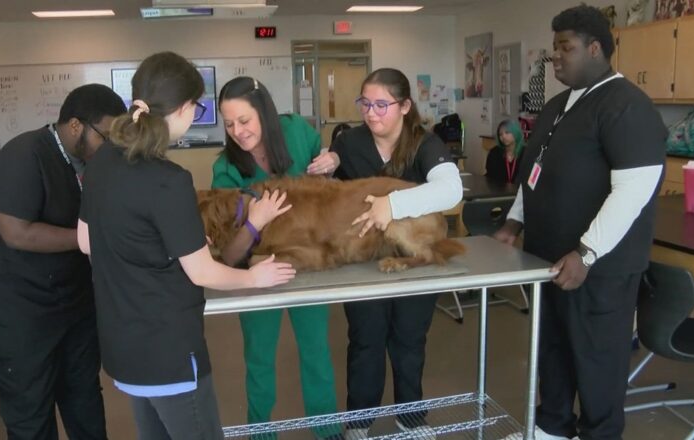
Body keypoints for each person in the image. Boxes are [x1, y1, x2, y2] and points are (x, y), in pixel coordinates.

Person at [77, 53, 296, 440]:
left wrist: (167, 247)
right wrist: (253, 277)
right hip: (170, 354)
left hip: (123, 348)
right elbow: (203, 272)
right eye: (198, 106)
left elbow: (86, 241)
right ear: (182, 108)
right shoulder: (170, 180)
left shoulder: (102, 161)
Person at [494, 6, 666, 440]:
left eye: (565, 48)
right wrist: (514, 223)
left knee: (597, 361)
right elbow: (535, 174)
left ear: (595, 49)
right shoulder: (558, 105)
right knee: (551, 349)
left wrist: (587, 251)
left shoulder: (627, 106)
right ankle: (551, 427)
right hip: (550, 258)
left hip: (599, 267)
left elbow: (633, 192)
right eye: (554, 49)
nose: (556, 58)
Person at [0, 84, 126, 439]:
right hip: (17, 310)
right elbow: (16, 232)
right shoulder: (24, 154)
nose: (110, 145)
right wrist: (89, 240)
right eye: (106, 135)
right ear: (74, 126)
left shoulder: (92, 163)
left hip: (71, 303)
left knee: (84, 402)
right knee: (31, 414)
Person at [325, 67, 463, 439]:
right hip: (364, 262)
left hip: (413, 261)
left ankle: (411, 419)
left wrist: (393, 204)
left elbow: (451, 191)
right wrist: (328, 166)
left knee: (409, 341)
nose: (371, 113)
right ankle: (358, 423)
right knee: (365, 341)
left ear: (404, 106)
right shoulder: (350, 143)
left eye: (382, 105)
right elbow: (333, 195)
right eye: (365, 104)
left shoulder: (425, 144)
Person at [211, 76, 341, 439]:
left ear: (264, 114)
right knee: (259, 361)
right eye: (229, 123)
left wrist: (333, 158)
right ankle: (261, 434)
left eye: (245, 120)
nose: (238, 131)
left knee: (316, 354)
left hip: (306, 264)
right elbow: (228, 252)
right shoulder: (226, 168)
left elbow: (327, 160)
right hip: (258, 274)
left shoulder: (296, 131)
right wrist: (255, 223)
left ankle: (327, 430)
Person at [484, 119, 525, 183]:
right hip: (498, 191)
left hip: (520, 191)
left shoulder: (526, 153)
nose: (503, 136)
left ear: (515, 133)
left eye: (507, 132)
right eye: (500, 134)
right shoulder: (494, 152)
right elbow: (490, 175)